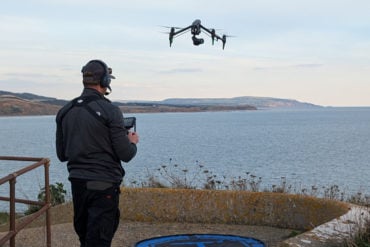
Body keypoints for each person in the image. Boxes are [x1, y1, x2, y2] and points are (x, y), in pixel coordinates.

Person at [55, 59, 139, 247]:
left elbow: (62, 154)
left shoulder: (64, 111)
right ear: (105, 82)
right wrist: (131, 142)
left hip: (77, 185)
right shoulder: (111, 110)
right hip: (104, 186)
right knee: (99, 241)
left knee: (86, 239)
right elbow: (126, 154)